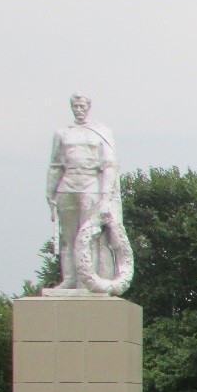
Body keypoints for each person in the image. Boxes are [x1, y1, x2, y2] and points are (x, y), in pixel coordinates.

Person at [45, 93, 130, 293]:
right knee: (68, 237)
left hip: (90, 184)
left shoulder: (101, 132)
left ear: (88, 107)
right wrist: (50, 193)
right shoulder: (62, 134)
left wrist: (105, 198)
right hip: (67, 185)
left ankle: (86, 282)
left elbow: (110, 166)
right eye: (75, 106)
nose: (79, 110)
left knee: (89, 235)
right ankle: (69, 279)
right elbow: (55, 165)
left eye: (82, 106)